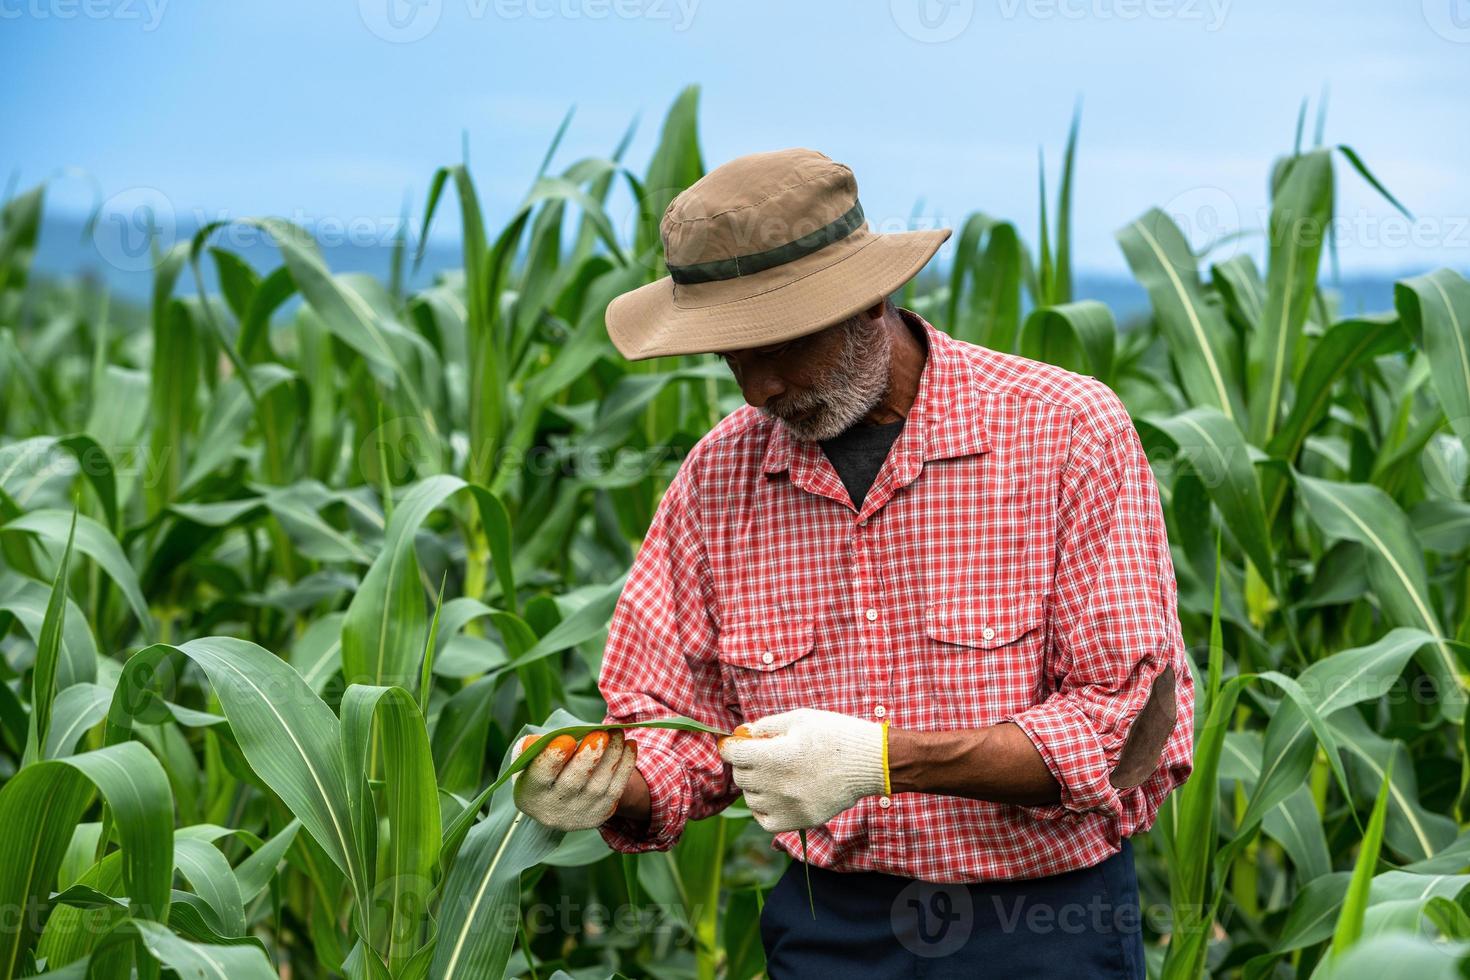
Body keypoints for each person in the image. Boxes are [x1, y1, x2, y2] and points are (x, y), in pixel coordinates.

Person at [511, 147, 1194, 977]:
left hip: (1043, 924)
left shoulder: (1066, 434)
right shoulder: (717, 480)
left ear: (872, 300)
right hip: (830, 928)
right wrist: (603, 781)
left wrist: (880, 761)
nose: (757, 387)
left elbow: (1125, 732)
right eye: (730, 355)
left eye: (777, 345)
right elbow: (678, 733)